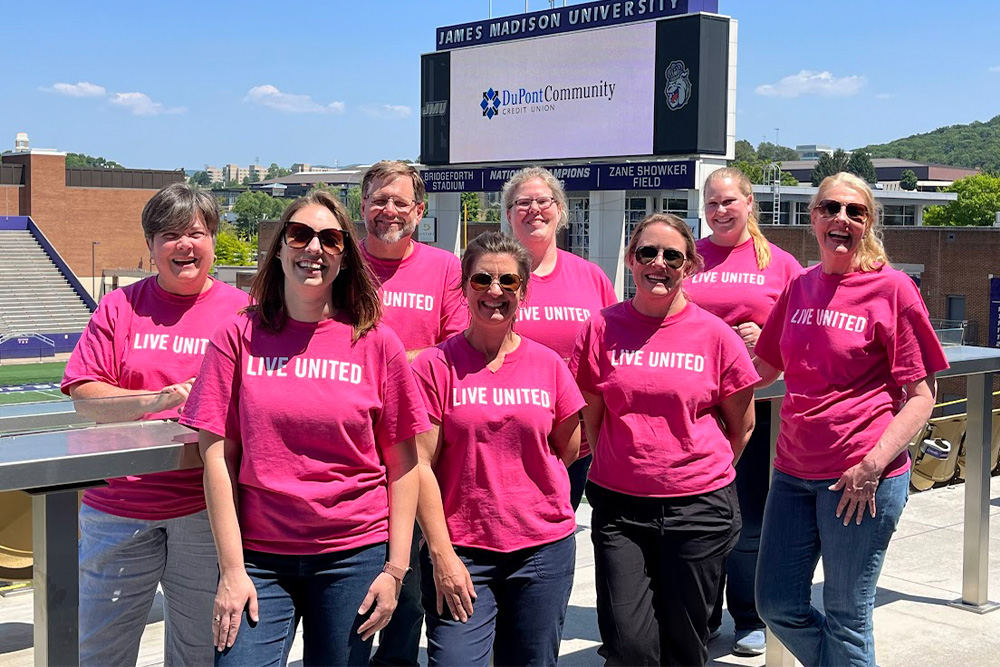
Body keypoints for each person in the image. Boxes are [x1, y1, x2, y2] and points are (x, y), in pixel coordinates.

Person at [180, 190, 429, 666]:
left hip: (352, 556)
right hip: (259, 556)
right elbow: (216, 455)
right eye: (299, 235)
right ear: (279, 249)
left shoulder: (377, 342)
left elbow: (403, 464)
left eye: (330, 239)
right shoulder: (238, 336)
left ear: (344, 257)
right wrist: (232, 570)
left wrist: (396, 570)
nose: (313, 248)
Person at [753, 172, 948, 667]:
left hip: (860, 478)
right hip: (793, 472)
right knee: (776, 604)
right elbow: (765, 366)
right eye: (830, 208)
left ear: (868, 223)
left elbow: (921, 395)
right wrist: (701, 393)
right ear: (813, 217)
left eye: (854, 211)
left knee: (847, 613)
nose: (841, 218)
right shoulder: (799, 286)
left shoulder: (893, 288)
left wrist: (873, 465)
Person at [61, 183, 249, 666]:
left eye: (196, 233)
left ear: (212, 240)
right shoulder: (120, 307)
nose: (184, 245)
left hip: (205, 509)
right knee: (101, 650)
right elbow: (85, 396)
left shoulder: (244, 312)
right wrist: (159, 399)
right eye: (170, 235)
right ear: (150, 246)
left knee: (199, 652)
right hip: (119, 505)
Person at [570, 213, 759, 666]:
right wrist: (630, 461)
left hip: (698, 509)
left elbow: (743, 426)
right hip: (620, 509)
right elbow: (592, 418)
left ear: (689, 265)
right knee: (628, 644)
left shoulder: (716, 335)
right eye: (647, 252)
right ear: (631, 260)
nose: (659, 263)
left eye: (672, 254)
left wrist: (691, 469)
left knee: (684, 645)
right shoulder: (600, 328)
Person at [411, 232, 584, 667]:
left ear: (523, 291)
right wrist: (441, 555)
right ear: (464, 286)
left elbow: (568, 449)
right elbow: (419, 466)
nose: (494, 291)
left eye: (508, 282)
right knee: (454, 661)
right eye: (482, 279)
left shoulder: (548, 365)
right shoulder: (435, 366)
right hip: (462, 550)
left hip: (542, 549)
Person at [685, 167, 802, 656]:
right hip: (695, 403)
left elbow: (804, 329)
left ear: (750, 202)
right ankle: (703, 613)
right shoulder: (689, 255)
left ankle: (749, 615)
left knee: (749, 516)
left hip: (757, 400)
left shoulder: (780, 262)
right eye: (712, 203)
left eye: (729, 201)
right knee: (700, 514)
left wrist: (769, 332)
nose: (720, 210)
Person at [359, 160, 467, 666]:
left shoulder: (445, 267)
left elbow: (455, 348)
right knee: (362, 568)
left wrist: (383, 364)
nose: (389, 210)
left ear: (419, 211)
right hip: (351, 441)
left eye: (400, 202)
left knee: (411, 578)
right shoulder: (341, 264)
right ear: (362, 207)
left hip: (420, 443)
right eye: (379, 200)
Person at [502, 166, 617, 511]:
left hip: (574, 442)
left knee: (557, 535)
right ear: (508, 215)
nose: (534, 209)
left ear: (561, 210)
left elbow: (611, 353)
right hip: (506, 438)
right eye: (523, 203)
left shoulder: (591, 277)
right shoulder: (492, 277)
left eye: (544, 201)